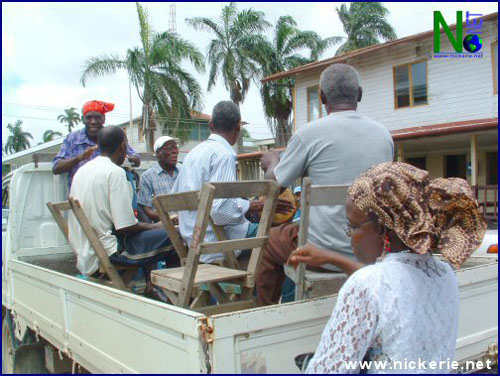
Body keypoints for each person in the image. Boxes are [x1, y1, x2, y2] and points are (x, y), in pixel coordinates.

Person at [288, 162, 486, 373]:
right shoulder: (444, 274)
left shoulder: (367, 283)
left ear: (382, 228)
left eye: (353, 226)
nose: (350, 236)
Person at [256, 63, 394, 305]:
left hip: (323, 251)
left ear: (322, 97)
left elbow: (275, 186)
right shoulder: (384, 135)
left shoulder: (308, 133)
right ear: (359, 94)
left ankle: (262, 315)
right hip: (373, 251)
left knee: (267, 243)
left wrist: (272, 162)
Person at [171, 101, 293, 264]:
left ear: (211, 125)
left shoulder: (192, 155)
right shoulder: (223, 155)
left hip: (194, 243)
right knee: (286, 238)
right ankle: (279, 290)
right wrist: (257, 206)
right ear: (238, 127)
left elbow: (176, 200)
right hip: (217, 243)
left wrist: (249, 205)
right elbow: (221, 212)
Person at [68, 126, 177, 296]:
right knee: (178, 236)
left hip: (88, 252)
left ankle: (162, 291)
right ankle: (177, 297)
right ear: (122, 147)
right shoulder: (115, 172)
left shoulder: (81, 171)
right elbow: (125, 226)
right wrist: (157, 226)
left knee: (166, 232)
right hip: (113, 251)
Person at [52, 100, 141, 189]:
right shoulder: (72, 139)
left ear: (104, 119)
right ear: (83, 119)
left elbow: (136, 160)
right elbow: (56, 168)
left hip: (109, 194)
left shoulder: (113, 135)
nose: (93, 121)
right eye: (89, 117)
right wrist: (79, 158)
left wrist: (126, 158)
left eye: (97, 117)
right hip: (80, 196)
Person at [137, 136, 180, 222]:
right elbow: (147, 209)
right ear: (158, 153)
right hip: (165, 226)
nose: (174, 151)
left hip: (188, 223)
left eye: (175, 148)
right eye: (169, 149)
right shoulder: (148, 176)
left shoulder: (184, 171)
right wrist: (170, 219)